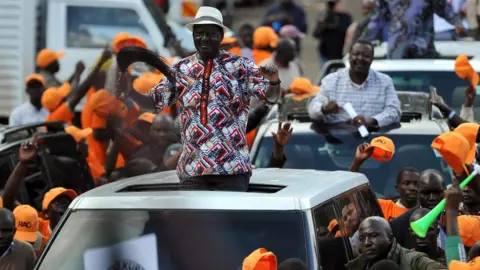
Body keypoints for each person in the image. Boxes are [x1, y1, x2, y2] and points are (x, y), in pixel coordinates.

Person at [119, 6, 281, 191]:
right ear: (194, 35)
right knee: (191, 221)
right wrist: (130, 92)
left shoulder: (240, 67)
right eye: (200, 33)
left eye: (210, 34)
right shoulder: (181, 69)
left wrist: (274, 82)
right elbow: (153, 103)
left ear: (220, 36)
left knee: (228, 221)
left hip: (231, 171)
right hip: (193, 171)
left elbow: (270, 99)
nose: (204, 38)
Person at [308, 40, 401, 128]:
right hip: (338, 140)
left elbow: (394, 111)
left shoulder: (385, 81)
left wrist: (371, 121)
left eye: (366, 55)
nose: (360, 58)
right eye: (356, 54)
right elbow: (313, 110)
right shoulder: (330, 81)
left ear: (372, 59)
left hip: (374, 139)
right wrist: (324, 109)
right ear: (349, 57)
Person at [361, 0, 466, 59]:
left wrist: (458, 24)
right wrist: (364, 42)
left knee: (425, 87)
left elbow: (444, 8)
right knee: (396, 87)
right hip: (397, 48)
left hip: (423, 47)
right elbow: (378, 20)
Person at [345, 216, 447, 269]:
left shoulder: (412, 259)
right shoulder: (354, 266)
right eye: (362, 238)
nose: (367, 243)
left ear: (390, 238)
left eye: (373, 235)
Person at [390, 169, 447, 249]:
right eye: (425, 193)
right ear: (418, 193)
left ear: (445, 191)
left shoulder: (458, 218)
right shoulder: (399, 225)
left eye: (437, 192)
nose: (432, 198)